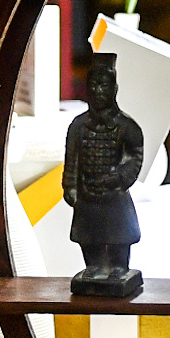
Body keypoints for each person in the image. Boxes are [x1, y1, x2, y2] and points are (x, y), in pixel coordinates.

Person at [64, 54, 144, 296]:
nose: (98, 91)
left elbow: (135, 158)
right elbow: (72, 160)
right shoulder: (78, 126)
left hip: (114, 194)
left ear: (114, 89)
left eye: (104, 86)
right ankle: (94, 266)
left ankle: (119, 266)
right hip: (87, 192)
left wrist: (118, 177)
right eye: (94, 86)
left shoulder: (127, 127)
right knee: (88, 233)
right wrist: (70, 187)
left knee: (119, 232)